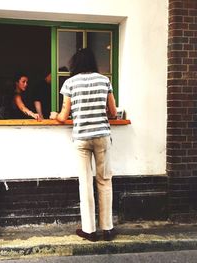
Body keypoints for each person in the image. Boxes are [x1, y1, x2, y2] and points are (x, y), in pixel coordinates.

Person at [50, 48, 117, 242]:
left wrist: (55, 115)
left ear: (75, 64)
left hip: (81, 138)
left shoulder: (70, 83)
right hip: (102, 136)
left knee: (85, 183)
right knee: (104, 181)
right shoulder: (104, 81)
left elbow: (63, 116)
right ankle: (108, 229)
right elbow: (112, 112)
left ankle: (89, 230)